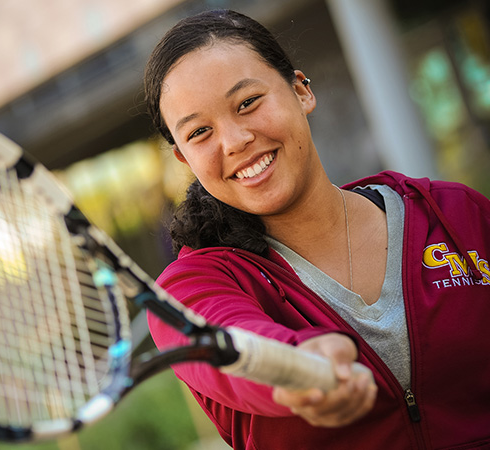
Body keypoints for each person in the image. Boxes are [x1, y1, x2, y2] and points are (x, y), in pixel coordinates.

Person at [143, 9, 490, 450]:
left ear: (301, 90)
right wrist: (298, 368)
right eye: (200, 133)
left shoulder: (454, 212)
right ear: (183, 159)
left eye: (247, 103)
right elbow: (230, 348)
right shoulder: (187, 291)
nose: (233, 141)